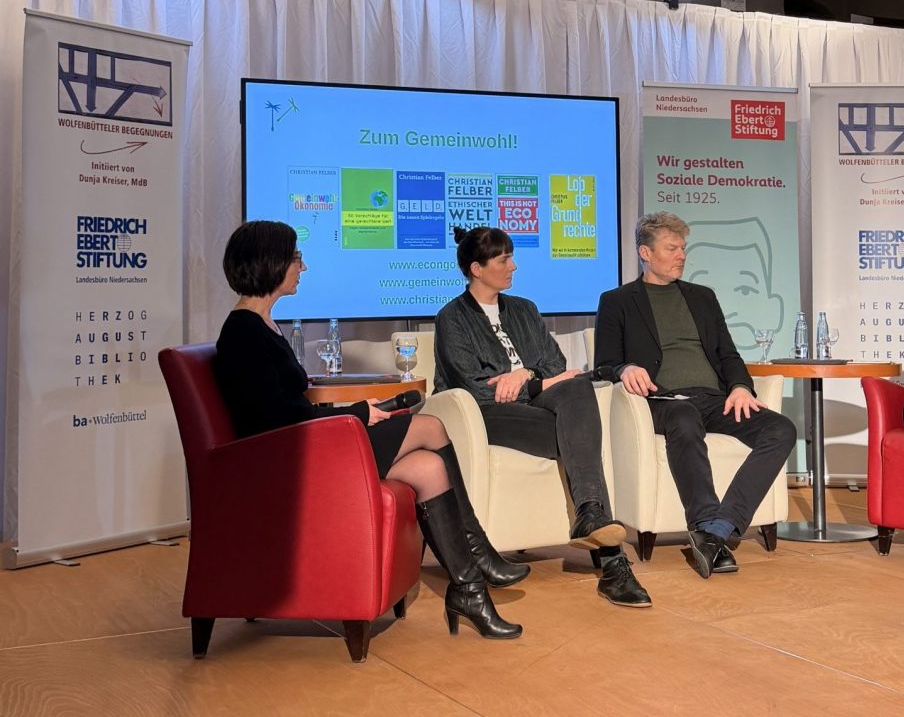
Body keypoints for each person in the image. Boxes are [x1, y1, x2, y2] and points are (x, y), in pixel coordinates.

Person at [212, 221, 523, 639]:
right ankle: (478, 551)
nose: (303, 267)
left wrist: (358, 413)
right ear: (270, 262)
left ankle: (469, 589)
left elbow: (290, 407)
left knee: (429, 468)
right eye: (296, 258)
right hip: (289, 462)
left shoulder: (264, 324)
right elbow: (275, 420)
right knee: (430, 427)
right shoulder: (242, 333)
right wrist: (356, 415)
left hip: (306, 447)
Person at [434, 226, 652, 608]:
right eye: (504, 260)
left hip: (534, 403)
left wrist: (526, 375)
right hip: (487, 417)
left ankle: (590, 515)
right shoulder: (452, 318)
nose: (513, 266)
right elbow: (475, 389)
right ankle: (613, 564)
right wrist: (539, 383)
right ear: (477, 269)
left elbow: (556, 364)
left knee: (578, 389)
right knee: (580, 436)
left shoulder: (524, 309)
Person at [595, 212, 797, 579]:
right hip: (663, 401)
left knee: (781, 429)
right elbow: (604, 364)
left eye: (683, 248)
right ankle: (704, 521)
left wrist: (740, 387)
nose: (681, 256)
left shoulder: (703, 297)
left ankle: (718, 530)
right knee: (685, 416)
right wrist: (625, 368)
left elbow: (728, 354)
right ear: (645, 253)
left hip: (714, 400)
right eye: (671, 248)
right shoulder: (618, 301)